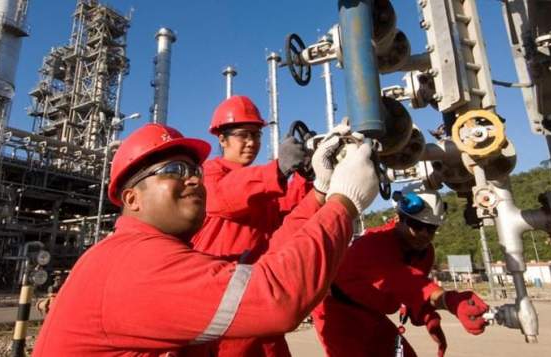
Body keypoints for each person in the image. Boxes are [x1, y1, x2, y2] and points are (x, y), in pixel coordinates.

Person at [33, 123, 380, 356]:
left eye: (194, 171)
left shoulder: (160, 252)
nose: (195, 180)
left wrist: (319, 192)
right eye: (173, 170)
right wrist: (343, 202)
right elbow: (273, 296)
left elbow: (269, 259)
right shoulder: (135, 264)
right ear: (132, 199)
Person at [191, 96, 313, 356]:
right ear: (222, 139)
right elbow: (225, 196)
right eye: (243, 135)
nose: (252, 143)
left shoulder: (264, 184)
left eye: (256, 135)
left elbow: (290, 214)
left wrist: (309, 176)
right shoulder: (209, 173)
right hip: (220, 304)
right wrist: (278, 170)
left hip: (259, 299)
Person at [312, 185, 490, 357]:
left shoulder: (425, 253)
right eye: (416, 225)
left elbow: (413, 292)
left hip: (374, 314)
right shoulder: (374, 244)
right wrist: (449, 300)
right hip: (339, 314)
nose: (424, 234)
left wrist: (426, 313)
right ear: (399, 218)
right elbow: (405, 280)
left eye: (431, 228)